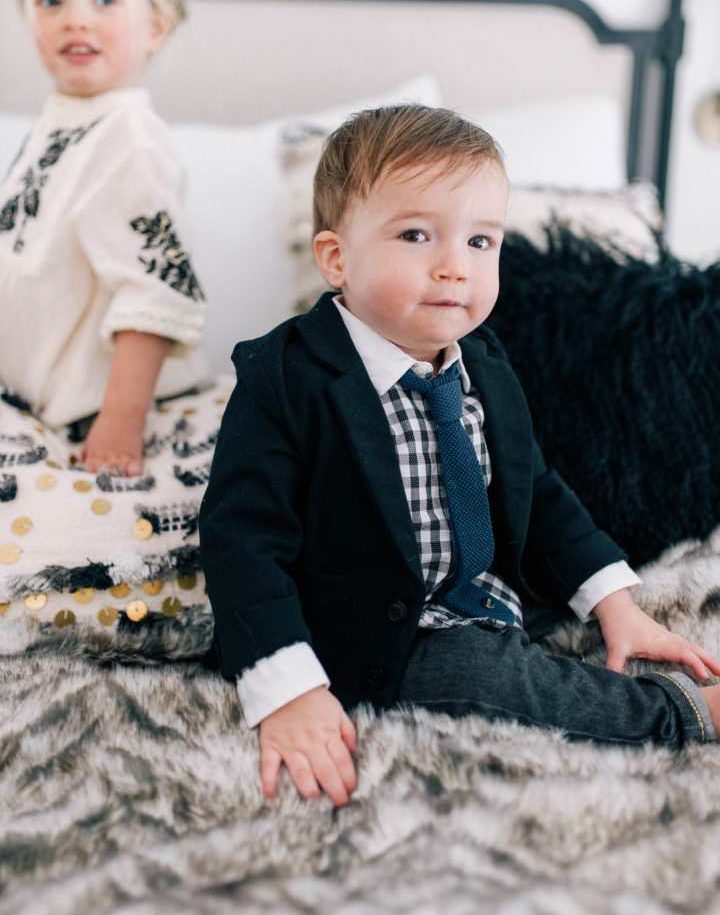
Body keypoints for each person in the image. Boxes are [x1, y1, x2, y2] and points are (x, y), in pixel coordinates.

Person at [199, 104, 720, 810]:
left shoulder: (483, 363)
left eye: (481, 242)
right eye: (416, 235)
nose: (454, 267)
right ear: (336, 259)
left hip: (483, 594)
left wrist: (613, 601)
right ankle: (675, 716)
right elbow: (242, 544)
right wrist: (289, 691)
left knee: (605, 627)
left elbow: (540, 491)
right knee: (494, 681)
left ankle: (614, 640)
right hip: (377, 631)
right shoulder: (285, 379)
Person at [0, 0, 205, 476]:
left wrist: (119, 425)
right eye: (50, 0)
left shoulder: (129, 141)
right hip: (29, 402)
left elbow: (155, 292)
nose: (75, 20)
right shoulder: (57, 124)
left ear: (156, 25)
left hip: (94, 419)